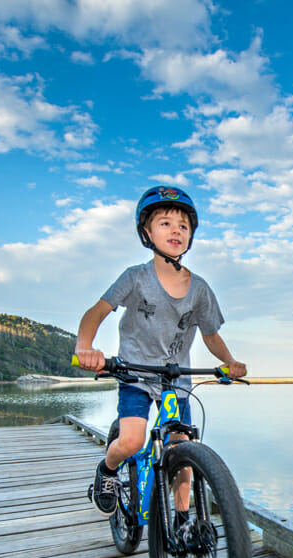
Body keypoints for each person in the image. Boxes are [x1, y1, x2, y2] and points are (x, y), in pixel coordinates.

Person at [74, 185, 247, 535]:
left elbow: (211, 335)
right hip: (136, 373)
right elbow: (96, 312)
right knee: (133, 441)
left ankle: (183, 521)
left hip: (175, 380)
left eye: (183, 226)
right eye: (165, 223)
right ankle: (108, 471)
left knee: (183, 448)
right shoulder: (135, 277)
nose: (176, 231)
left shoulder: (199, 288)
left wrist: (230, 361)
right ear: (146, 233)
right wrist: (84, 346)